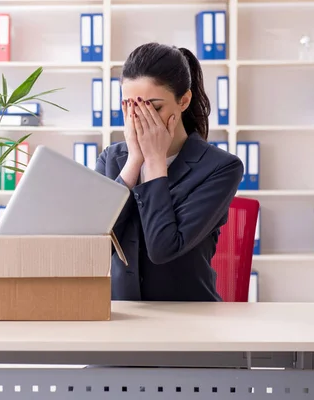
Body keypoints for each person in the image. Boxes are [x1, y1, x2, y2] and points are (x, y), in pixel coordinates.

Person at [95, 42, 244, 302]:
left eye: (152, 107)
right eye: (130, 106)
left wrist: (154, 161)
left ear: (183, 100)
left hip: (189, 318)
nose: (139, 118)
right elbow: (93, 249)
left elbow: (162, 249)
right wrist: (133, 163)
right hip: (121, 316)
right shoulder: (112, 159)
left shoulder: (220, 168)